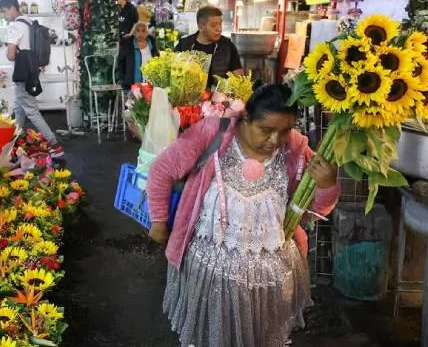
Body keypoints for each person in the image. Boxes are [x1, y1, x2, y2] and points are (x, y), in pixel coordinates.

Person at [146, 84, 340, 347]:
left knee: (262, 337)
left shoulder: (295, 149)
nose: (275, 140)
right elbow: (162, 170)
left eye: (284, 131)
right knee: (213, 336)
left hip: (270, 280)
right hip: (211, 275)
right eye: (266, 130)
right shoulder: (214, 132)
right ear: (246, 117)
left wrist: (328, 185)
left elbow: (315, 211)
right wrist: (158, 221)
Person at [0, 0, 63, 157]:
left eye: (4, 11)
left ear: (12, 8)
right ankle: (13, 143)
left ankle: (54, 144)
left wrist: (8, 51)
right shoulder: (29, 22)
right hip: (32, 70)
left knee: (31, 111)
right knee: (19, 109)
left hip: (22, 73)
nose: (4, 15)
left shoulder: (15, 26)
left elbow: (11, 55)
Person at [175, 5, 244, 88]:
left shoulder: (227, 45)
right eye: (214, 25)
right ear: (200, 26)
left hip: (220, 95)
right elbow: (175, 75)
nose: (219, 29)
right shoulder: (184, 45)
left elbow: (238, 76)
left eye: (220, 24)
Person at [116, 22, 159, 90]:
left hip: (151, 86)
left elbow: (157, 61)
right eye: (138, 30)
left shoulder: (152, 45)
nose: (140, 33)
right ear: (134, 33)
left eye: (143, 31)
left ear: (147, 32)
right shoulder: (127, 46)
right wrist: (122, 80)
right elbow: (120, 63)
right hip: (132, 87)